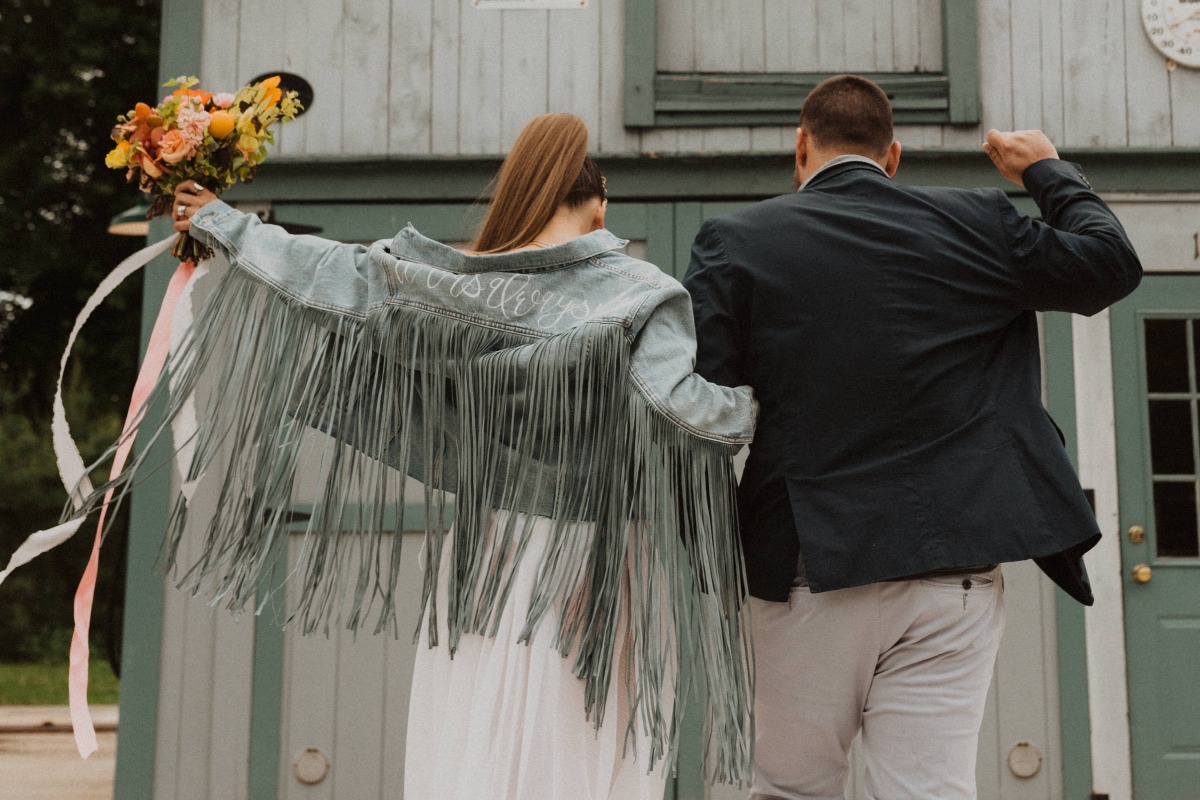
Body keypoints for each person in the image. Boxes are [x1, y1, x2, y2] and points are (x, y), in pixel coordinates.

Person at [155, 112, 753, 798]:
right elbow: (678, 405)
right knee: (591, 735)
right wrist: (759, 405)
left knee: (482, 723)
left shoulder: (455, 287)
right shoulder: (640, 292)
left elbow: (331, 271)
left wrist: (224, 222)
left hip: (494, 552)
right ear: (599, 206)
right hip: (604, 558)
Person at [683, 74, 1141, 799]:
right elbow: (1110, 266)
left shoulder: (736, 243)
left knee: (787, 790)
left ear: (800, 147)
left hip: (807, 564)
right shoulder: (981, 222)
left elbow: (697, 401)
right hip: (949, 569)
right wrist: (1047, 170)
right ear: (892, 157)